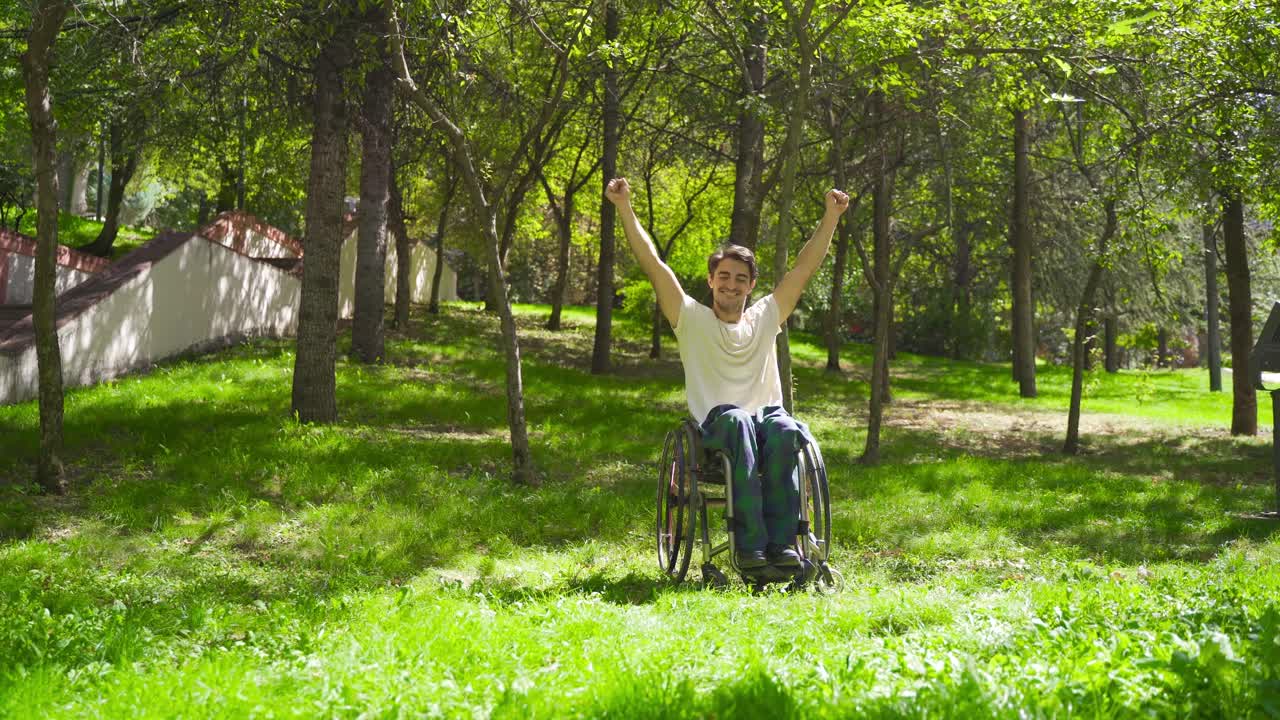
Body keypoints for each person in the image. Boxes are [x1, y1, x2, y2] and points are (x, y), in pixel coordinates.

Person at [605, 177, 850, 573]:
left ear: (751, 285)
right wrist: (624, 208)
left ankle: (785, 548)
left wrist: (831, 217)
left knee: (788, 429)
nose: (731, 285)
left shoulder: (766, 315)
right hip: (718, 426)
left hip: (766, 421)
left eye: (740, 278)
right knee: (737, 420)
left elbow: (805, 267)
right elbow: (653, 264)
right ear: (711, 281)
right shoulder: (691, 319)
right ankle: (749, 550)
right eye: (724, 277)